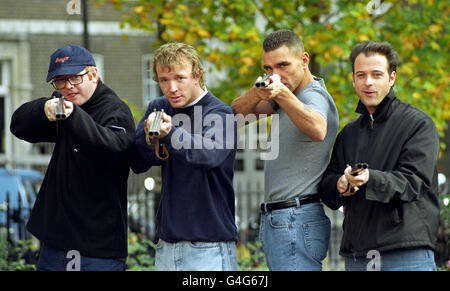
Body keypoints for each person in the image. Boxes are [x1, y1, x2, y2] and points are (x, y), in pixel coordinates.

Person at [10, 45, 136, 271]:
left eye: (75, 78)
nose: (68, 87)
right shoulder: (62, 104)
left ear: (94, 74)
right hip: (56, 243)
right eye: (60, 81)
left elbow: (113, 149)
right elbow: (18, 126)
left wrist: (73, 116)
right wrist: (43, 109)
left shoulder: (115, 110)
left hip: (98, 248)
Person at [319, 41, 440, 271]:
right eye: (361, 75)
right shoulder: (348, 133)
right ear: (353, 79)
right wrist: (340, 184)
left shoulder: (418, 124)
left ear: (392, 78)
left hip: (405, 253)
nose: (368, 82)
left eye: (377, 74)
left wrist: (369, 178)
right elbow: (326, 185)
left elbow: (415, 182)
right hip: (357, 257)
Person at [231, 29, 339, 270]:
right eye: (268, 68)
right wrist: (256, 92)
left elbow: (318, 129)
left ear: (304, 60)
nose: (275, 75)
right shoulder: (286, 96)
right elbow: (235, 117)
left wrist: (282, 95)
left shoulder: (314, 95)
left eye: (282, 65)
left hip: (296, 216)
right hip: (283, 218)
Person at [130, 42, 238, 271]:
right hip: (167, 245)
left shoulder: (220, 112)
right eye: (164, 80)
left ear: (197, 76)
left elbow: (207, 154)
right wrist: (151, 139)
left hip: (209, 247)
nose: (171, 88)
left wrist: (170, 134)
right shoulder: (159, 107)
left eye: (180, 78)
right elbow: (137, 161)